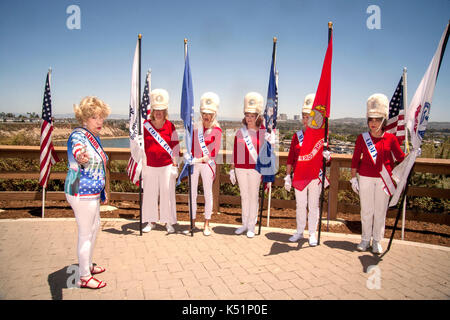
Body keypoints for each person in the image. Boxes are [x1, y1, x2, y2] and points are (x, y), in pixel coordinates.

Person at [350, 93, 406, 254]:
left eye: (377, 120)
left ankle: (377, 241)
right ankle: (365, 239)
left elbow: (401, 159)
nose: (373, 123)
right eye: (371, 120)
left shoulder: (391, 139)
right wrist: (353, 178)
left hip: (384, 179)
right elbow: (355, 160)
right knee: (366, 210)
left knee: (380, 211)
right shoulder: (362, 138)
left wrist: (413, 155)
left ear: (383, 121)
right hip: (365, 177)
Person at [65, 96, 110, 289]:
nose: (99, 121)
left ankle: (87, 265)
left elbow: (98, 168)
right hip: (80, 192)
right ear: (84, 118)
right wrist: (80, 156)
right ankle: (83, 276)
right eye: (94, 117)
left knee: (95, 228)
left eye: (101, 117)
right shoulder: (79, 135)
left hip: (91, 192)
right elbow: (78, 149)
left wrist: (103, 191)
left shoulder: (94, 137)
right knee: (85, 233)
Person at [284, 93, 331, 247]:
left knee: (313, 205)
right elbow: (291, 157)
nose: (305, 120)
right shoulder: (296, 136)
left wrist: (327, 156)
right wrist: (287, 176)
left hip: (314, 176)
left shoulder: (321, 136)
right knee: (300, 205)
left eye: (308, 116)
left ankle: (312, 233)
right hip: (299, 175)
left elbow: (327, 160)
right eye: (304, 116)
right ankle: (299, 231)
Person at [141, 89, 180, 234]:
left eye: (161, 110)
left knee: (167, 194)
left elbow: (175, 147)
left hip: (166, 166)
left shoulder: (171, 126)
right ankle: (151, 221)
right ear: (152, 111)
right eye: (156, 110)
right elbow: (141, 146)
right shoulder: (145, 125)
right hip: (150, 166)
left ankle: (168, 221)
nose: (158, 113)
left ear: (165, 111)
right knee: (150, 194)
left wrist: (175, 165)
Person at [229, 92, 267, 238]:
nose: (249, 118)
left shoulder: (263, 132)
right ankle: (244, 224)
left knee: (253, 196)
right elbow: (235, 152)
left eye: (252, 116)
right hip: (240, 168)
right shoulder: (240, 132)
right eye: (247, 115)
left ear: (257, 117)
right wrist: (232, 169)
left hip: (255, 169)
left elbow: (267, 153)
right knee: (244, 196)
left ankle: (252, 225)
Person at [187, 92, 222, 236]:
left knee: (208, 193)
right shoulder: (195, 128)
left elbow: (214, 153)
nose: (206, 116)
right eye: (204, 113)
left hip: (207, 165)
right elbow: (189, 145)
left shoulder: (217, 130)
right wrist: (188, 156)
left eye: (209, 113)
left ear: (214, 114)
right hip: (194, 163)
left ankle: (207, 223)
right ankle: (192, 222)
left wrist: (199, 159)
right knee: (192, 193)